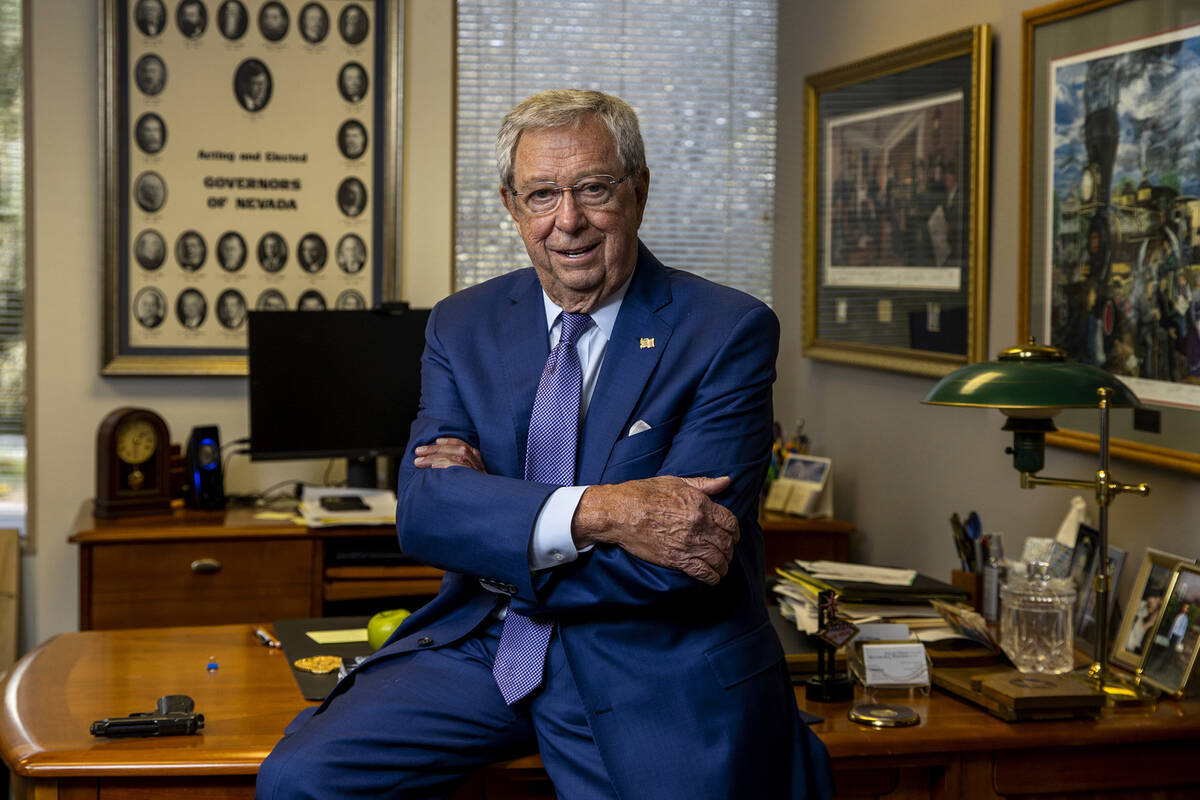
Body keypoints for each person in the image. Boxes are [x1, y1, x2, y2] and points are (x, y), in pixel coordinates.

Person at [257, 89, 832, 800]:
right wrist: (605, 512)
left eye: (593, 188)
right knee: (298, 780)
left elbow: (681, 562)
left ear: (639, 190)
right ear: (511, 204)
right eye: (542, 194)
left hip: (651, 660)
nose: (569, 222)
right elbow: (426, 514)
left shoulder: (726, 332)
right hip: (488, 646)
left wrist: (495, 533)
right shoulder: (462, 325)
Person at [1125, 591, 1163, 656]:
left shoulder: (1147, 615)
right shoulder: (1140, 607)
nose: (1155, 605)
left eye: (1157, 604)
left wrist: (1149, 624)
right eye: (1155, 600)